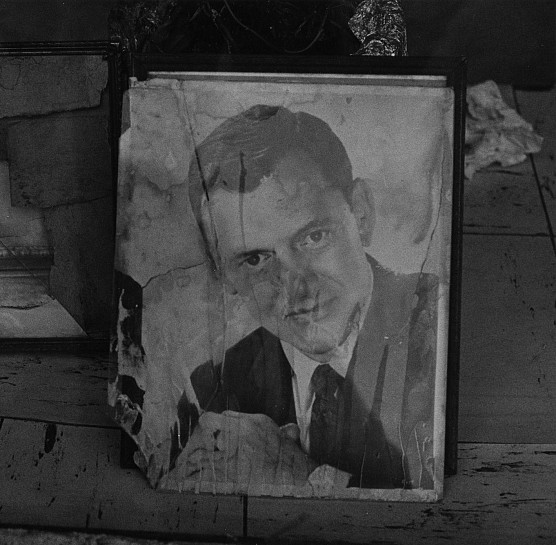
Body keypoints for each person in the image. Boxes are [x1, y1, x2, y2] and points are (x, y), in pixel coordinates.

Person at [170, 105, 438, 490]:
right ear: (221, 273)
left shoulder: (437, 328)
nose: (294, 287)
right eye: (256, 259)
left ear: (360, 214)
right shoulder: (212, 391)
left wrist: (302, 480)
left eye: (313, 237)